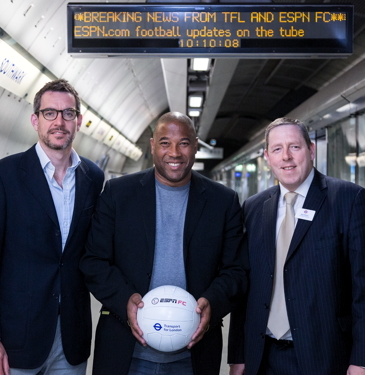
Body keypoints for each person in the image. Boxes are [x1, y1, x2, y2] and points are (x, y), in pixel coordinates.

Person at [79, 111, 247, 375]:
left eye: (184, 142)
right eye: (165, 142)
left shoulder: (223, 202)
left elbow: (236, 270)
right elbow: (94, 261)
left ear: (195, 145)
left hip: (194, 355)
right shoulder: (118, 193)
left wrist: (212, 303)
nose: (175, 152)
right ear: (152, 145)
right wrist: (126, 301)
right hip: (125, 351)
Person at [228, 117, 365, 375]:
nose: (286, 157)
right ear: (267, 157)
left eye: (295, 147)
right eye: (277, 149)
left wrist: (364, 360)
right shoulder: (254, 207)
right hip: (261, 357)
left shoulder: (349, 199)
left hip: (325, 356)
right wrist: (238, 355)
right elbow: (245, 289)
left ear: (311, 150)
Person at [0, 79, 104, 375]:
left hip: (71, 336)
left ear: (78, 121)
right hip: (16, 337)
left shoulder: (93, 177)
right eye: (49, 113)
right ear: (35, 120)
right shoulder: (3, 176)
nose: (59, 121)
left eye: (68, 114)